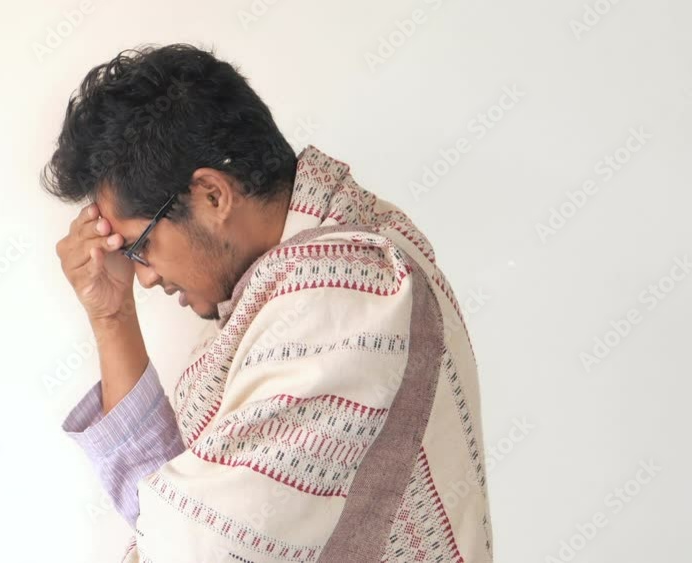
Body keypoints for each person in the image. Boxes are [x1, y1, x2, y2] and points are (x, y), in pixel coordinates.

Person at [42, 43, 493, 563]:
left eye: (140, 248)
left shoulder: (348, 297)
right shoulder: (307, 270)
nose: (143, 279)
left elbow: (194, 549)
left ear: (212, 195)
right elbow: (175, 513)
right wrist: (111, 314)